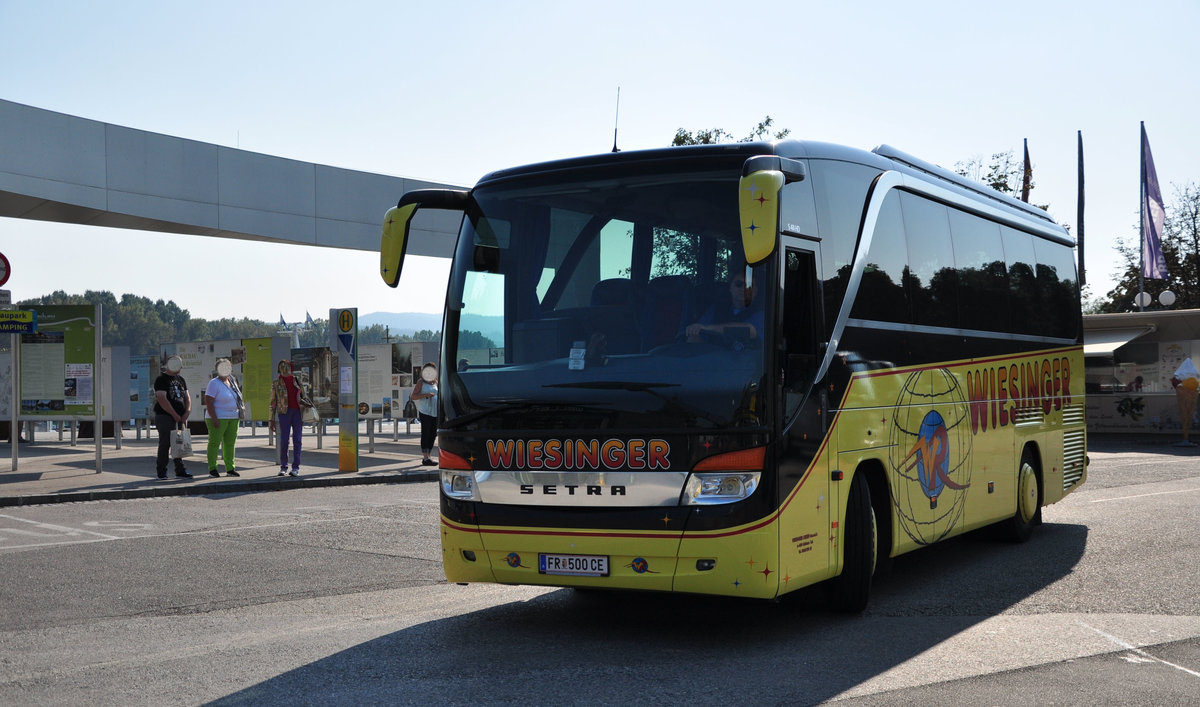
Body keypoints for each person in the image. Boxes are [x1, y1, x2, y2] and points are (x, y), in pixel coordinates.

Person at [685, 269, 765, 344]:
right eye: (739, 284)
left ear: (756, 290)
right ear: (730, 288)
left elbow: (749, 330)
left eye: (749, 285)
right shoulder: (716, 308)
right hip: (714, 356)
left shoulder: (763, 311)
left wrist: (708, 328)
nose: (743, 289)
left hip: (748, 358)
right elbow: (699, 330)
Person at [153, 354, 193, 480]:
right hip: (165, 416)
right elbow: (161, 398)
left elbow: (187, 397)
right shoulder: (161, 379)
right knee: (165, 444)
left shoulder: (181, 379)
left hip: (180, 418)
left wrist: (186, 412)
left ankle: (180, 470)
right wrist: (174, 414)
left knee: (179, 444)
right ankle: (161, 470)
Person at [268, 360, 310, 476]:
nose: (285, 369)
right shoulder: (276, 383)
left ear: (291, 368)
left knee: (297, 440)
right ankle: (284, 466)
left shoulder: (297, 380)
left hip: (297, 413)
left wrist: (305, 404)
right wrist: (271, 419)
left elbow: (304, 396)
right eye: (282, 367)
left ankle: (296, 467)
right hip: (284, 413)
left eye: (287, 367)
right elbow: (272, 402)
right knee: (284, 441)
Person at [203, 358, 242, 478]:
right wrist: (214, 418)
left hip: (233, 417)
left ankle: (230, 468)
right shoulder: (214, 383)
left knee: (230, 443)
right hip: (218, 417)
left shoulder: (232, 381)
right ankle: (212, 468)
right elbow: (208, 402)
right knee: (214, 443)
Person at [412, 362, 439, 466]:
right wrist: (426, 395)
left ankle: (429, 455)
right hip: (425, 411)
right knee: (426, 432)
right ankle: (425, 457)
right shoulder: (421, 382)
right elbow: (413, 396)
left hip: (435, 411)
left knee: (433, 433)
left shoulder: (435, 381)